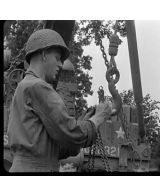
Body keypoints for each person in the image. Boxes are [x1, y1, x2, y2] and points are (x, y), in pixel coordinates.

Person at [7, 29, 111, 172]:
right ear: (43, 54)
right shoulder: (38, 86)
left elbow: (58, 146)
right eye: (57, 58)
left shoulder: (24, 87)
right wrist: (99, 117)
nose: (61, 65)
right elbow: (70, 133)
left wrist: (82, 124)